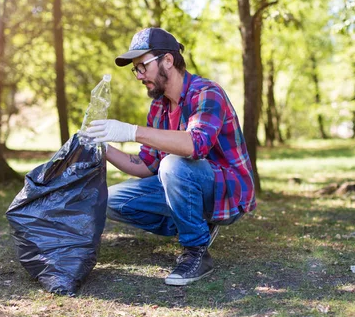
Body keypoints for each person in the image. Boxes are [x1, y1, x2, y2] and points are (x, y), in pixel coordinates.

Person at [86, 27, 256, 286]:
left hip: (227, 191)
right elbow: (146, 165)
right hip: (187, 185)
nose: (139, 76)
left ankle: (197, 251)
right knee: (109, 200)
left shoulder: (207, 93)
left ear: (167, 60)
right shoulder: (159, 107)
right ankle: (198, 224)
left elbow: (194, 145)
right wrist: (103, 147)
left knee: (173, 164)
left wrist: (132, 132)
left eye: (143, 66)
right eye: (136, 69)